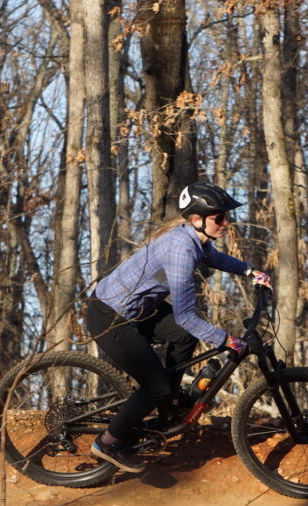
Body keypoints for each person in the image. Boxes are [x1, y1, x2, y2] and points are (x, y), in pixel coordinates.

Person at [85, 181, 272, 473]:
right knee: (155, 385)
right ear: (197, 220)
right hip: (110, 316)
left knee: (183, 337)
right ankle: (107, 442)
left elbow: (213, 257)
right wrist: (226, 340)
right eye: (220, 218)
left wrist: (249, 270)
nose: (226, 223)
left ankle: (169, 402)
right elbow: (186, 315)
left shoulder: (193, 240)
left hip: (136, 310)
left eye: (226, 217)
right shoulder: (180, 251)